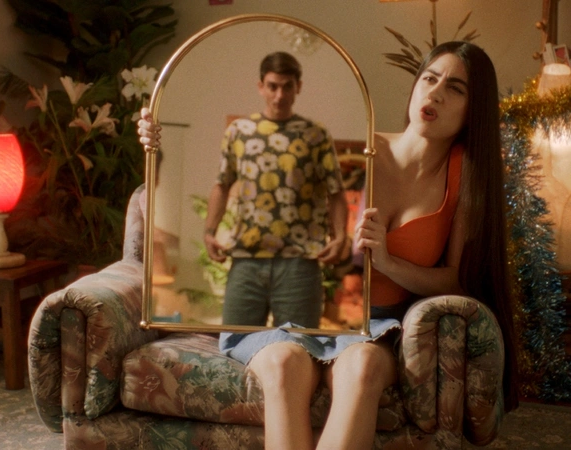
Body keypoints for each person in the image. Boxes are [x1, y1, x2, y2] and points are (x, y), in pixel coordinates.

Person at [139, 41, 519, 449]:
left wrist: (388, 263)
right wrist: (158, 145)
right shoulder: (353, 149)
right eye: (429, 78)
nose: (436, 93)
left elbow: (458, 280)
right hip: (289, 309)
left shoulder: (465, 177)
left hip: (374, 323)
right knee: (284, 364)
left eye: (455, 88)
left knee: (364, 367)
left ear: (473, 110)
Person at [140, 51, 348, 329]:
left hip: (299, 261)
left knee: (299, 345)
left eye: (287, 86)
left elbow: (335, 191)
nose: (279, 95)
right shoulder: (240, 131)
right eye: (273, 86)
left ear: (298, 87)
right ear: (261, 87)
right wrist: (210, 231)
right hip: (247, 259)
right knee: (235, 341)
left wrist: (341, 235)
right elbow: (222, 184)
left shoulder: (315, 134)